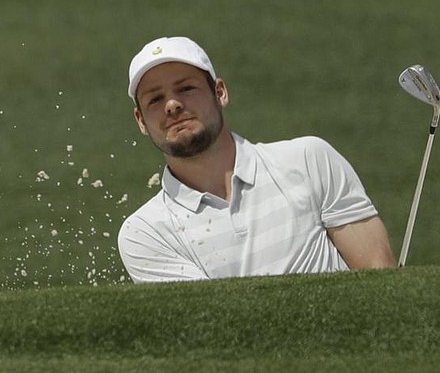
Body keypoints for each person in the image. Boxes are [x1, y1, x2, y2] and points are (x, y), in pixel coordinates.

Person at [118, 36, 396, 283]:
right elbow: (208, 326)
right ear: (141, 121)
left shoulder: (309, 160)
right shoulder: (145, 232)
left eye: (187, 88)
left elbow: (379, 278)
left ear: (220, 93)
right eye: (155, 99)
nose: (172, 105)